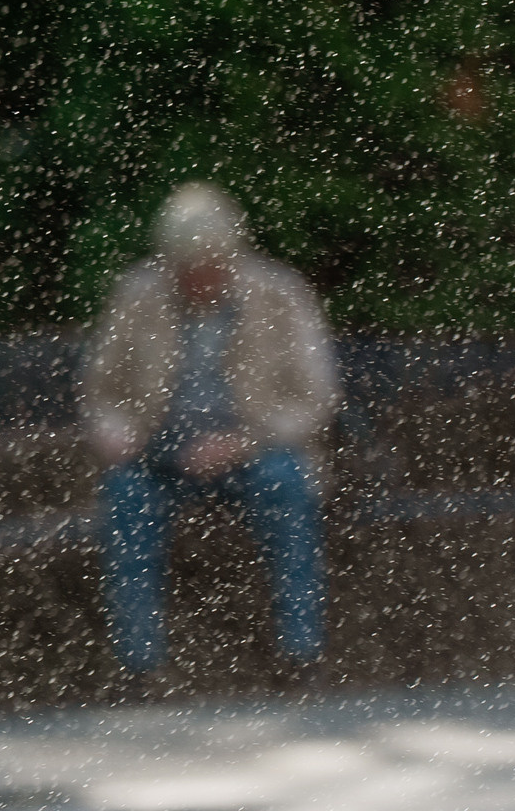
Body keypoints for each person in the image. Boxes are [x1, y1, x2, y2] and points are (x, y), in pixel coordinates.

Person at [80, 181, 339, 685]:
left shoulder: (279, 294)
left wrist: (246, 440)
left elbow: (316, 396)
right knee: (125, 496)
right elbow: (101, 390)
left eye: (211, 266)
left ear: (232, 256)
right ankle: (141, 668)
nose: (200, 279)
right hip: (159, 456)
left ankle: (301, 659)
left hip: (255, 449)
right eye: (187, 269)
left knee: (287, 485)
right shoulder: (138, 295)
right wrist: (116, 431)